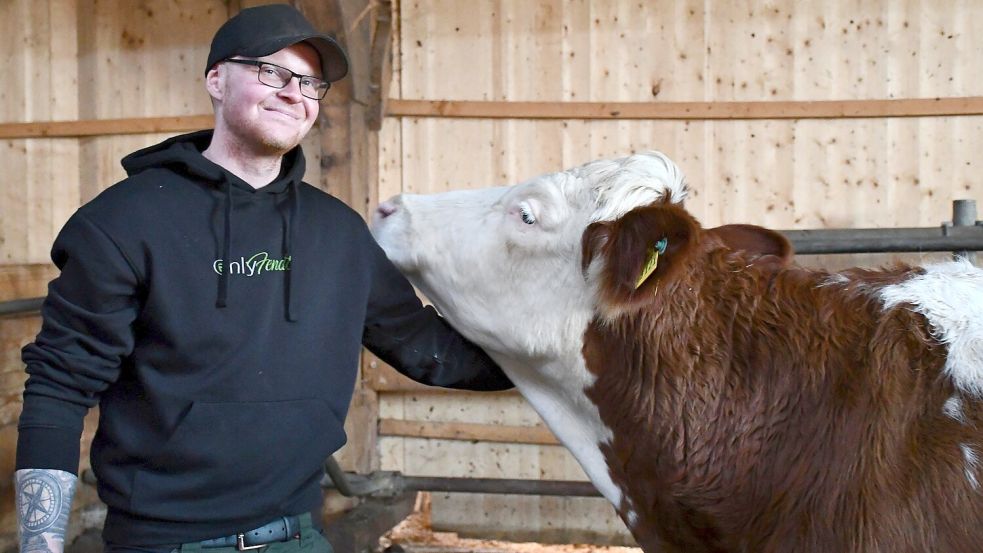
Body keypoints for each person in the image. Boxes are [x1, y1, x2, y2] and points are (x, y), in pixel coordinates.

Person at [13, 4, 512, 553]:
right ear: (216, 80)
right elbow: (59, 387)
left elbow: (425, 347)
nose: (293, 92)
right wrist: (41, 545)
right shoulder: (123, 223)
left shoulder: (338, 233)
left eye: (309, 82)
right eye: (270, 72)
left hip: (299, 535)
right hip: (163, 541)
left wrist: (578, 357)